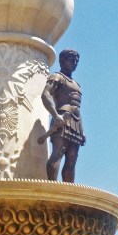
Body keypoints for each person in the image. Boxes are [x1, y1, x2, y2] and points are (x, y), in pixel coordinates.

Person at [41, 49, 86, 182]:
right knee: (57, 154)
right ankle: (53, 190)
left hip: (76, 122)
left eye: (76, 60)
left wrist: (82, 131)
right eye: (71, 60)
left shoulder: (77, 84)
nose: (74, 63)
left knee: (72, 158)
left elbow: (77, 106)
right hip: (61, 118)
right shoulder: (57, 76)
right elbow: (45, 94)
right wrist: (55, 115)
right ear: (62, 60)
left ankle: (69, 194)